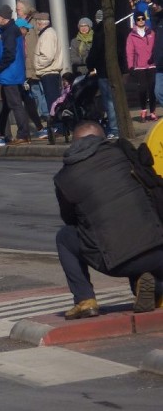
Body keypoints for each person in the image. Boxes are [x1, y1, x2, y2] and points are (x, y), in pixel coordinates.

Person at [54, 121, 163, 319]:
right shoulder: (123, 154)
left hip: (115, 261)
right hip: (156, 250)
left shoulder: (64, 177)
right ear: (103, 140)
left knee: (65, 237)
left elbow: (70, 220)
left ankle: (85, 300)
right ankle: (152, 285)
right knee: (137, 221)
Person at [0, 4, 32, 145]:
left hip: (10, 73)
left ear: (4, 18)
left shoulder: (9, 31)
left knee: (15, 104)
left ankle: (23, 134)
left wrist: (0, 67)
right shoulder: (10, 30)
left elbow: (9, 53)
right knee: (10, 104)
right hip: (12, 72)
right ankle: (7, 134)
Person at [125, 11, 157, 122]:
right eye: (138, 19)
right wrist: (130, 66)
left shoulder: (151, 32)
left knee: (153, 88)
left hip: (152, 65)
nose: (141, 21)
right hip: (139, 67)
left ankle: (153, 111)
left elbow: (156, 48)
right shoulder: (131, 35)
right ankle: (143, 109)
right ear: (135, 21)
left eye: (142, 18)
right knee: (142, 88)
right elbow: (130, 52)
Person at [33, 12, 64, 113]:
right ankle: (57, 125)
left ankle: (58, 126)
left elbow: (48, 56)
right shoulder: (48, 33)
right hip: (49, 73)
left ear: (39, 23)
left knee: (53, 103)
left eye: (36, 22)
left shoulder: (47, 35)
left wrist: (37, 64)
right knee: (53, 102)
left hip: (49, 74)